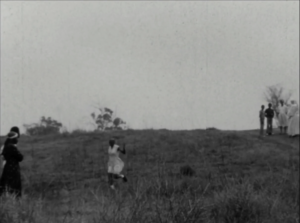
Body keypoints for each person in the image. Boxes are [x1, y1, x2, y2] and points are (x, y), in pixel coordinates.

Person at [0, 128, 23, 198]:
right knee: (14, 185)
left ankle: (6, 197)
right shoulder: (12, 147)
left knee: (6, 183)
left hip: (6, 167)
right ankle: (14, 199)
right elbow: (20, 157)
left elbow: (3, 157)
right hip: (13, 168)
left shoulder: (5, 147)